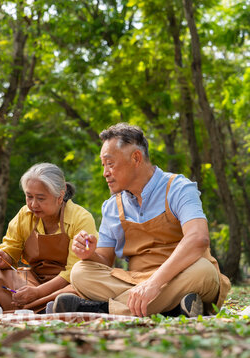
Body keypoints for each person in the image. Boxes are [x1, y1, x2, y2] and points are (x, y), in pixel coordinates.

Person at [54, 123, 231, 317]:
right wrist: (90, 253)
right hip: (136, 281)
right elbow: (104, 260)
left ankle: (103, 310)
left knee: (204, 271)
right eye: (103, 165)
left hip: (185, 275)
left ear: (136, 158)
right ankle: (172, 309)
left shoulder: (179, 188)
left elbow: (198, 239)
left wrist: (154, 284)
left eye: (110, 163)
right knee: (80, 272)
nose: (105, 172)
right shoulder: (112, 206)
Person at [0, 163, 98, 312]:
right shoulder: (25, 215)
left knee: (75, 290)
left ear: (60, 196)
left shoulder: (81, 218)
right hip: (34, 280)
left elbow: (74, 271)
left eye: (41, 198)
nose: (33, 204)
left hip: (68, 283)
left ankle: (36, 307)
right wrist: (1, 258)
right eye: (29, 196)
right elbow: (11, 251)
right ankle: (47, 308)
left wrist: (38, 293)